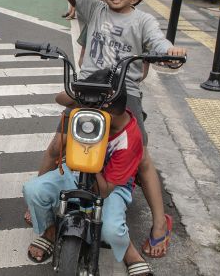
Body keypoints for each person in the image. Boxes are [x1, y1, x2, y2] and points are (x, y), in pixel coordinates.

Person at [61, 0, 186, 259]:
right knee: (61, 139)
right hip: (89, 88)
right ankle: (49, 201)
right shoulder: (94, 10)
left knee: (140, 151)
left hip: (123, 92)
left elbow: (158, 43)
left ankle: (160, 222)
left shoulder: (143, 20)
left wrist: (170, 51)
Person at [23, 70, 154, 275]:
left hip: (110, 185)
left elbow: (105, 191)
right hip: (73, 170)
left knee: (112, 231)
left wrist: (95, 165)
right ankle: (51, 232)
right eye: (85, 105)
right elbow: (60, 98)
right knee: (33, 191)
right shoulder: (89, 108)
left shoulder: (129, 138)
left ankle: (129, 252)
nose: (87, 115)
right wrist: (82, 94)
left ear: (110, 108)